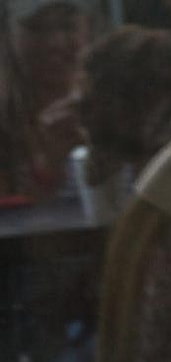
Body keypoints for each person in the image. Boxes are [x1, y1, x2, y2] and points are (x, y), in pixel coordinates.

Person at [0, 0, 99, 207]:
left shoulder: (120, 110)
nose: (55, 42)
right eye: (36, 28)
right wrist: (51, 166)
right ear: (8, 35)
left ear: (88, 30)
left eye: (67, 26)